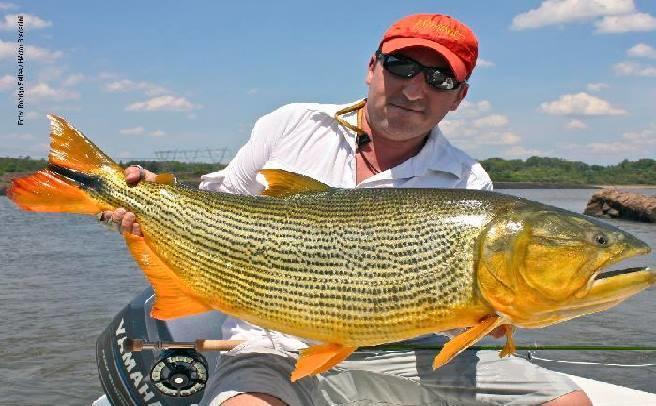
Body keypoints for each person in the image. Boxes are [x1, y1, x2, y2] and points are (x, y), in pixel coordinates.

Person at [104, 13, 591, 406]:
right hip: (271, 340)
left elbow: (449, 324)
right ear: (372, 67)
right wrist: (150, 201)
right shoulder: (293, 124)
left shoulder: (469, 182)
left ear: (459, 98)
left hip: (402, 349)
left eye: (440, 78)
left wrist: (496, 312)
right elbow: (223, 209)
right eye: (402, 67)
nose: (415, 90)